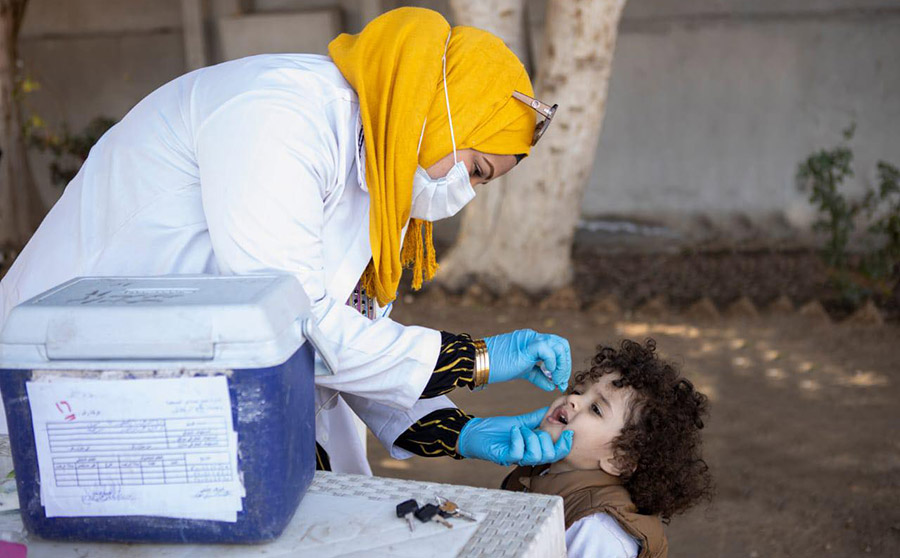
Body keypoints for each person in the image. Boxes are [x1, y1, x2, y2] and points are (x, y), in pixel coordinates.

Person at [0, 8, 572, 473]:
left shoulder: (384, 167)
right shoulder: (280, 115)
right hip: (76, 371)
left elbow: (356, 337)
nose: (467, 192)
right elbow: (297, 323)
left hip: (188, 371)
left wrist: (460, 431)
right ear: (440, 114)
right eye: (475, 168)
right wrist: (479, 360)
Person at [501, 339, 713, 558]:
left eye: (595, 409)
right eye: (578, 390)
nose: (573, 399)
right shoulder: (539, 469)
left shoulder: (598, 530)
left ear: (619, 460)